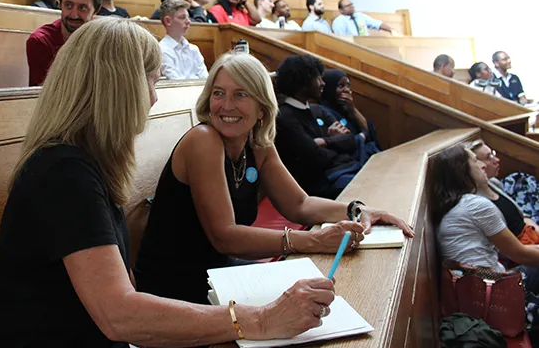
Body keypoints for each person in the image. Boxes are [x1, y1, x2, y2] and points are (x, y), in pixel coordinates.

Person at [0, 18, 348, 348]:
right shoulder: (64, 173)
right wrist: (260, 318)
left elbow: (123, 291)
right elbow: (119, 314)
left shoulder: (82, 164)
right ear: (120, 86)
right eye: (152, 81)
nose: (154, 96)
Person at [135, 53, 413, 305]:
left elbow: (300, 204)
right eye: (219, 93)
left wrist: (358, 210)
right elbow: (225, 237)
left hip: (217, 273)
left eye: (241, 95)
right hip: (174, 288)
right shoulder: (203, 140)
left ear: (262, 108)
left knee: (330, 296)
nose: (226, 106)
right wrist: (314, 241)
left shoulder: (257, 143)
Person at [432, 145, 539, 297]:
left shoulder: (454, 205)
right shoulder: (476, 206)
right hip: (491, 290)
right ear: (463, 171)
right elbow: (519, 254)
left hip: (474, 288)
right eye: (476, 161)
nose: (483, 165)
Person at [274, 55, 366, 199]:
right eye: (318, 78)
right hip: (321, 186)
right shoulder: (285, 117)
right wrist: (337, 144)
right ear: (303, 82)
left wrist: (324, 141)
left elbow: (351, 141)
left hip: (344, 172)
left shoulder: (317, 109)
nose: (323, 83)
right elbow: (315, 158)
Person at [26, 0, 102, 86]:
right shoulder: (41, 41)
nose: (74, 14)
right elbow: (43, 93)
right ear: (60, 4)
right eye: (68, 5)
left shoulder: (101, 38)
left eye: (82, 8)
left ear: (95, 10)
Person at [469, 140, 539, 241]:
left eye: (493, 154)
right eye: (488, 157)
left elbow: (522, 217)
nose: (497, 160)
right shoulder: (475, 200)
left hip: (530, 235)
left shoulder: (493, 182)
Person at [320, 69, 381, 155]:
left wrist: (352, 108)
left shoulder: (347, 109)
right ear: (329, 89)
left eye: (348, 86)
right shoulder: (322, 111)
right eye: (341, 86)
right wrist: (361, 137)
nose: (347, 90)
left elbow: (369, 132)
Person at [158, 0, 207, 80]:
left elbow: (205, 79)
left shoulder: (194, 49)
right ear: (168, 21)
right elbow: (174, 82)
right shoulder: (162, 49)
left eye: (188, 17)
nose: (188, 21)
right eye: (182, 17)